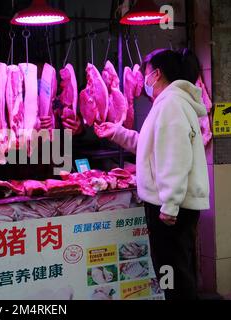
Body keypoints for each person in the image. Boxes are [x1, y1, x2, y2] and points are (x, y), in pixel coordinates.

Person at [94, 48, 210, 300]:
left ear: (156, 74)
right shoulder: (171, 104)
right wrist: (116, 132)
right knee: (177, 272)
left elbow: (175, 157)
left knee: (174, 274)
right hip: (173, 206)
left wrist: (170, 204)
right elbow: (152, 146)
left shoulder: (170, 105)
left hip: (170, 210)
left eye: (146, 73)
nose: (144, 80)